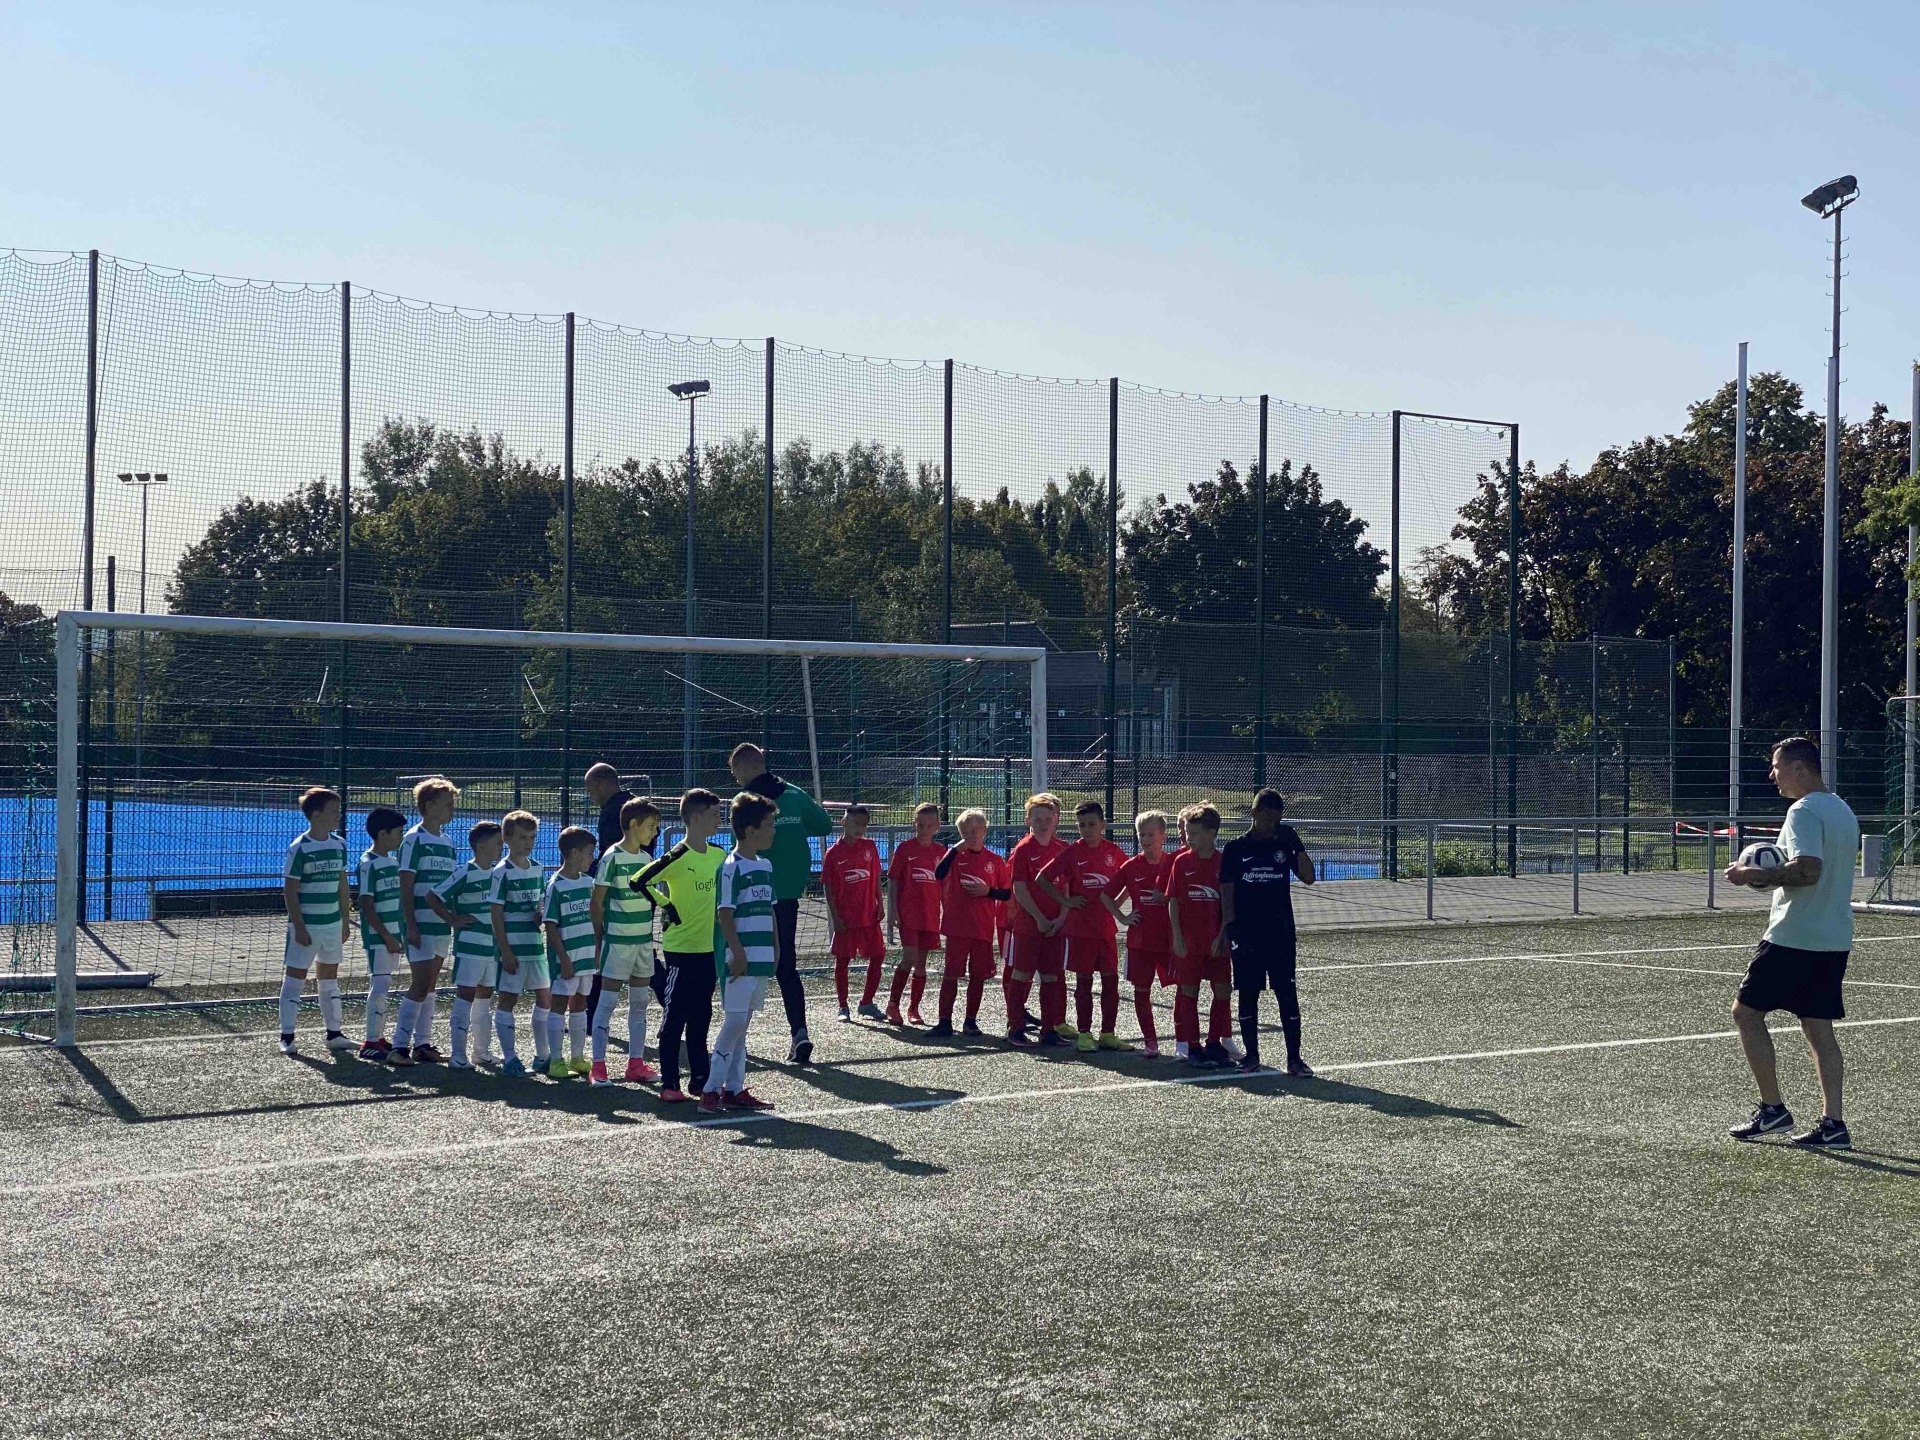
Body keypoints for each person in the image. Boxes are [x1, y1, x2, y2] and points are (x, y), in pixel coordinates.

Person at [1724, 736, 1860, 1149]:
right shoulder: (1841, 808)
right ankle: (1833, 1124)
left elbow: (1807, 870)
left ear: (1800, 768)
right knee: (1818, 1028)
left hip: (1795, 935)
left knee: (1746, 1014)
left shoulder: (1803, 810)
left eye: (1777, 766)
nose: (1773, 775)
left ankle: (1773, 1111)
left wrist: (1754, 875)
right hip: (1833, 936)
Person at [728, 743, 834, 1064]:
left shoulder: (744, 801)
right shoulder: (794, 793)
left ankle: (736, 1041)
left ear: (744, 768)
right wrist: (794, 827)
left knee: (742, 965)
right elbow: (824, 824)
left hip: (752, 895)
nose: (735, 778)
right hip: (788, 893)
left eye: (734, 772)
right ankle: (799, 1033)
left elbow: (737, 845)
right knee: (786, 965)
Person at [1220, 789, 1316, 1076]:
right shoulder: (1235, 849)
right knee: (1248, 994)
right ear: (1253, 813)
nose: (1270, 825)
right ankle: (1251, 1057)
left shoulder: (1285, 842)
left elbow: (1309, 877)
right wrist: (1229, 925)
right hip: (1246, 934)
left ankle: (1295, 1059)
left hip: (1280, 934)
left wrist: (1297, 846)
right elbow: (1226, 890)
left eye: (1276, 820)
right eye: (1265, 818)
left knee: (1286, 994)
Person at [637, 789, 724, 1104]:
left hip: (709, 950)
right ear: (696, 818)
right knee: (675, 1017)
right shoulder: (677, 856)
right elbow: (639, 880)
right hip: (681, 951)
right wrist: (667, 906)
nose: (719, 820)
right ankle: (670, 1083)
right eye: (714, 815)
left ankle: (700, 1080)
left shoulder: (719, 855)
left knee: (702, 1016)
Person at [701, 792, 781, 1114]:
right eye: (769, 825)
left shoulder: (766, 865)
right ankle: (710, 1090)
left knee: (743, 1024)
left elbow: (770, 911)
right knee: (734, 1021)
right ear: (750, 830)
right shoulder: (730, 868)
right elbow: (724, 914)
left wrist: (776, 948)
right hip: (739, 960)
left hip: (760, 959)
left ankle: (733, 1089)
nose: (773, 831)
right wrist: (738, 953)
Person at [1037, 800, 1132, 1054]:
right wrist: (1065, 901)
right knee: (1084, 984)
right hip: (1080, 931)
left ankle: (1108, 1033)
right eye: (1081, 825)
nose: (1086, 829)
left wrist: (1116, 905)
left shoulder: (1113, 852)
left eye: (1091, 824)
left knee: (1111, 981)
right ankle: (1085, 1034)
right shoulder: (1072, 853)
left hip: (1106, 931)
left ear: (1103, 825)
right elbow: (1042, 879)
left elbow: (1130, 880)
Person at [589, 797, 662, 1087]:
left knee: (640, 1004)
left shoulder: (646, 860)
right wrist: (599, 941)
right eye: (651, 826)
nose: (655, 832)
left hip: (643, 942)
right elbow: (597, 903)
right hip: (617, 943)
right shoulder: (611, 858)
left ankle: (636, 1064)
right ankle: (598, 1066)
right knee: (606, 1003)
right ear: (633, 825)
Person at [279, 786, 352, 1056]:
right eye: (334, 811)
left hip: (332, 924)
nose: (338, 815)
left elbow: (342, 885)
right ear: (317, 814)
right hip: (306, 926)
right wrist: (299, 927)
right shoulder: (300, 848)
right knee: (295, 979)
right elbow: (289, 890)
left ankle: (334, 1034)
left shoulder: (339, 844)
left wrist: (345, 920)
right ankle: (287, 1036)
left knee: (329, 979)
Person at [392, 777, 461, 1065]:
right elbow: (406, 884)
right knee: (420, 984)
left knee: (430, 985)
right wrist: (410, 924)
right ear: (429, 806)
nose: (452, 810)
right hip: (419, 922)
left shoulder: (448, 842)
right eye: (447, 805)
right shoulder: (413, 839)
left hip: (440, 923)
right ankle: (398, 1047)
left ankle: (422, 1045)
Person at [429, 820, 505, 1070]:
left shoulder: (497, 874)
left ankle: (481, 1052)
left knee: (485, 997)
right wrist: (452, 920)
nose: (501, 847)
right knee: (465, 997)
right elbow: (433, 896)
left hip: (491, 948)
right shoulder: (465, 872)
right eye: (497, 843)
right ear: (481, 846)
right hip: (470, 947)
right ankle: (458, 1055)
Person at [932, 808, 1011, 1036]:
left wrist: (988, 891)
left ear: (985, 830)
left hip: (982, 929)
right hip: (957, 928)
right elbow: (938, 874)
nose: (972, 836)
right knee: (951, 974)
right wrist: (954, 850)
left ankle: (970, 1021)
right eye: (966, 832)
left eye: (976, 831)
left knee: (978, 976)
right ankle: (944, 1021)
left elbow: (1006, 893)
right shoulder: (955, 857)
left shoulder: (994, 860)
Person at [486, 811, 550, 1077]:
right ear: (507, 838)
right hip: (512, 946)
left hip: (535, 945)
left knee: (545, 997)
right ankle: (510, 1057)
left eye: (532, 837)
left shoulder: (537, 868)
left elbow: (540, 904)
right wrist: (505, 950)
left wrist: (540, 915)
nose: (529, 843)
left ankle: (543, 1055)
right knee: (508, 998)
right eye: (523, 837)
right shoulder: (502, 872)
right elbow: (495, 914)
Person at [1003, 793, 1069, 1049]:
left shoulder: (1062, 849)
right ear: (1028, 820)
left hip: (1055, 925)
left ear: (1056, 820)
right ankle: (1016, 1028)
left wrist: (1061, 917)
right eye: (1037, 819)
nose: (1043, 823)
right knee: (1021, 975)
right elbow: (1019, 888)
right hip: (1030, 925)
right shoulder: (1023, 849)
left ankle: (1049, 1030)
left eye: (1047, 819)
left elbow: (1067, 887)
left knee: (1051, 977)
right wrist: (1039, 918)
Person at [1168, 803, 1231, 1068]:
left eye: (1193, 833)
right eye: (1187, 832)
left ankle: (1214, 1043)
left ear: (1211, 833)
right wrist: (1177, 936)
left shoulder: (1223, 862)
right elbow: (1173, 901)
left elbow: (1228, 902)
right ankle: (1194, 1048)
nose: (1188, 838)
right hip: (1190, 942)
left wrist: (1223, 934)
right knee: (1189, 992)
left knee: (1223, 991)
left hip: (1217, 942)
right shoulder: (1181, 862)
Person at [1114, 810, 1175, 1058]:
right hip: (1140, 942)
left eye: (1151, 834)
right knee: (1141, 991)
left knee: (1186, 989)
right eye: (1141, 834)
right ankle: (1151, 1041)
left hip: (1171, 940)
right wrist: (1123, 918)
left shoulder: (1173, 863)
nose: (1146, 839)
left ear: (1163, 836)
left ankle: (1185, 1041)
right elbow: (1108, 897)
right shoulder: (1131, 866)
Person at [543, 826, 601, 1079]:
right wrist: (564, 959)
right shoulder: (555, 885)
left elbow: (595, 920)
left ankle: (577, 1057)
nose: (592, 859)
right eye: (589, 853)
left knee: (580, 1004)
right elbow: (550, 926)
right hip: (566, 960)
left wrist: (597, 949)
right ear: (575, 853)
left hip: (586, 956)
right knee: (559, 1005)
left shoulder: (589, 883)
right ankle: (556, 1060)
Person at [822, 803, 885, 1022]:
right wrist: (835, 916)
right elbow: (828, 887)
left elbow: (876, 877)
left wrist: (880, 903)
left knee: (878, 956)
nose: (860, 829)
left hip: (869, 915)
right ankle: (842, 1006)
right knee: (843, 960)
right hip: (846, 918)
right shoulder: (833, 853)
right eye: (855, 824)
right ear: (844, 823)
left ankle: (866, 1002)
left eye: (864, 825)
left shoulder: (870, 847)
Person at [354, 806, 408, 1061]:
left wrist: (400, 934)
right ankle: (370, 1041)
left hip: (393, 935)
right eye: (398, 832)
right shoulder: (368, 863)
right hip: (379, 938)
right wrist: (386, 936)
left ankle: (378, 1036)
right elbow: (366, 905)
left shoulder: (393, 862)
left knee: (385, 986)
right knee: (379, 986)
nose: (401, 837)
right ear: (383, 834)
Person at [886, 801, 946, 1026]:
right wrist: (893, 909)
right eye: (921, 825)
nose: (924, 829)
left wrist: (948, 911)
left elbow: (946, 885)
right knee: (909, 957)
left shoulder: (941, 852)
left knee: (921, 963)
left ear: (937, 826)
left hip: (930, 914)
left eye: (929, 825)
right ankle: (893, 1004)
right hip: (908, 913)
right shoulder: (904, 849)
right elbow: (893, 879)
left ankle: (914, 1008)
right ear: (914, 824)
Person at [586, 761, 637, 857]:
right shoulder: (642, 806)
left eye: (590, 791)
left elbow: (608, 853)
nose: (591, 797)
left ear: (598, 786)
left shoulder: (610, 812)